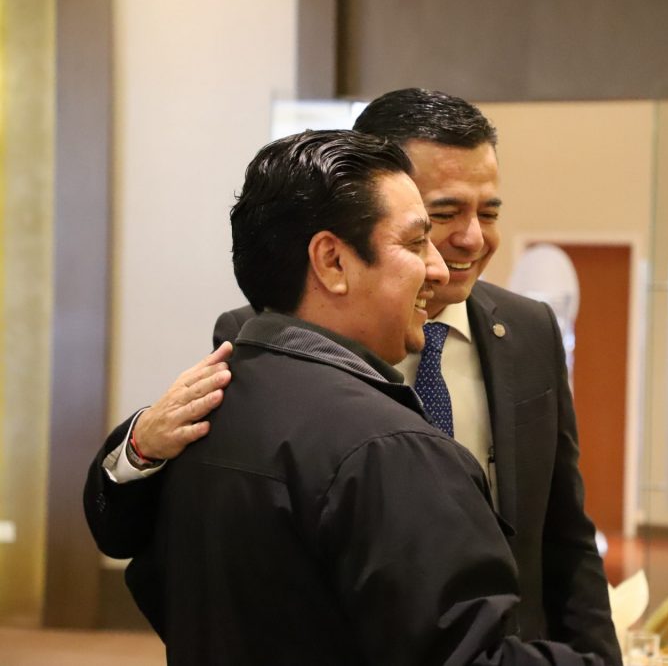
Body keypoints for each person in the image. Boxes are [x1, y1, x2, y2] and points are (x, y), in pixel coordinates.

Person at [84, 89, 621, 663]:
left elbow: (565, 536)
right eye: (435, 221)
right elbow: (203, 535)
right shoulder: (261, 337)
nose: (468, 241)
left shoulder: (528, 332)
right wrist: (139, 447)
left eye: (488, 213)